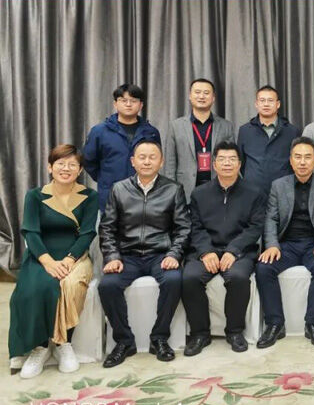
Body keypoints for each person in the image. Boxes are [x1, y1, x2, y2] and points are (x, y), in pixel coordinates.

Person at [97, 140, 190, 367]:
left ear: (161, 162)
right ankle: (124, 341)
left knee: (174, 280)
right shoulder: (119, 189)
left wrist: (174, 254)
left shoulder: (173, 189)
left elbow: (183, 228)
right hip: (127, 256)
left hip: (160, 254)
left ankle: (159, 338)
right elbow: (107, 228)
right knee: (107, 285)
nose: (147, 161)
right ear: (133, 161)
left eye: (152, 157)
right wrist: (112, 257)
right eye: (142, 157)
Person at [9, 145, 98, 378]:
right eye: (60, 163)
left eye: (72, 164)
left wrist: (69, 259)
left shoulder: (90, 196)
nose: (66, 168)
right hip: (41, 254)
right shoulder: (35, 195)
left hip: (75, 255)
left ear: (80, 170)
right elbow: (31, 232)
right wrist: (48, 262)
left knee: (69, 286)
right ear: (50, 167)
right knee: (34, 289)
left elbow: (87, 233)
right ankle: (39, 347)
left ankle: (62, 343)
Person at [182, 142, 267, 356]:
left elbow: (255, 227)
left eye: (232, 159)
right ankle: (200, 334)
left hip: (239, 251)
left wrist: (234, 250)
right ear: (214, 164)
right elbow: (195, 227)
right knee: (189, 278)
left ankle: (235, 332)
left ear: (239, 164)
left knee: (238, 277)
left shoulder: (254, 193)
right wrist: (206, 251)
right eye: (222, 159)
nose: (227, 163)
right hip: (207, 250)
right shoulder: (199, 193)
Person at [256, 137, 314, 348]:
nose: (302, 162)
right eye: (298, 157)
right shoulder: (279, 185)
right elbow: (271, 219)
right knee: (264, 268)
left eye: (307, 157)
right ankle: (275, 324)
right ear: (291, 160)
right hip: (287, 245)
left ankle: (312, 324)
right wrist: (272, 244)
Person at [84, 83, 161, 212]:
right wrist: (105, 178)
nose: (128, 104)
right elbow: (89, 160)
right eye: (123, 100)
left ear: (141, 105)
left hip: (144, 197)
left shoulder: (151, 132)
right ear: (115, 104)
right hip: (110, 196)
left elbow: (156, 161)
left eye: (133, 101)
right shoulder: (99, 131)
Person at [164, 78, 236, 201]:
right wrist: (172, 193)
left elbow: (232, 161)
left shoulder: (226, 126)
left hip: (218, 189)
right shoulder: (175, 126)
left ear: (213, 98)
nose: (201, 96)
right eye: (197, 92)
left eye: (206, 93)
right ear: (190, 96)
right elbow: (170, 164)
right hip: (186, 189)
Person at [238, 84, 300, 195]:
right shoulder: (245, 131)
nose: (266, 104)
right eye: (262, 100)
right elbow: (240, 163)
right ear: (256, 104)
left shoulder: (292, 131)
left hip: (283, 192)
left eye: (270, 100)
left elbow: (296, 163)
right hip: (252, 193)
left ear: (278, 104)